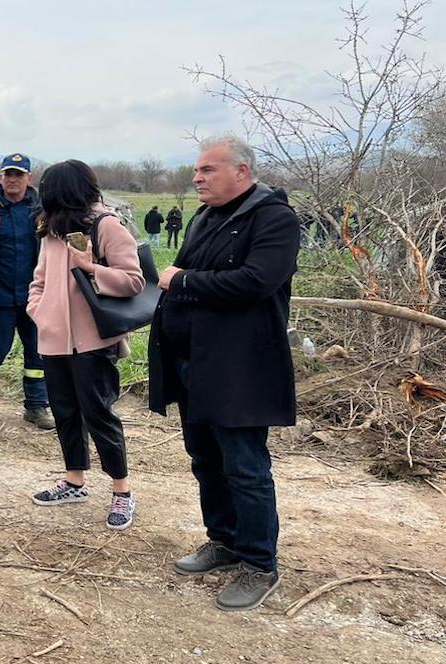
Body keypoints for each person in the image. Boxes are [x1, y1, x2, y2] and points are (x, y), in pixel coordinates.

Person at [149, 134, 299, 612]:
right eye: (197, 170)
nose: (197, 178)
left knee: (245, 466)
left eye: (207, 170)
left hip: (241, 368)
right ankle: (225, 540)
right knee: (205, 459)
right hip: (194, 360)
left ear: (242, 171)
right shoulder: (207, 216)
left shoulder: (274, 218)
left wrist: (184, 281)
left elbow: (256, 282)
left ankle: (260, 564)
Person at [25, 160, 145, 530]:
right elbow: (39, 280)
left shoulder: (106, 226)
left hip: (94, 341)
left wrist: (91, 268)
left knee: (99, 414)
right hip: (54, 341)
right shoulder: (51, 231)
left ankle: (122, 492)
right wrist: (39, 310)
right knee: (64, 411)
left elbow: (134, 281)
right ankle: (74, 480)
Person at [0, 154, 53, 430]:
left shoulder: (43, 210)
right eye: (8, 174)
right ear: (0, 177)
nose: (12, 179)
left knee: (38, 352)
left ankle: (36, 405)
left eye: (18, 174)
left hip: (36, 296)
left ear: (29, 178)